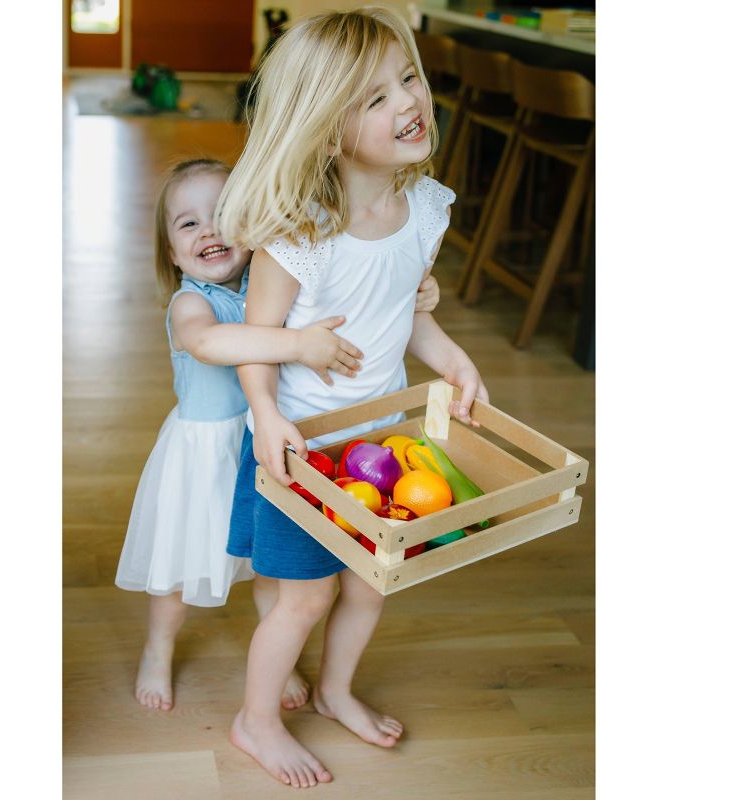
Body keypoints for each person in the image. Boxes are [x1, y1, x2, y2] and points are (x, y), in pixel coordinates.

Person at [218, 7, 490, 789]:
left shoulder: (427, 208)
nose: (408, 102)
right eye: (373, 99)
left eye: (406, 79)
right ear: (324, 129)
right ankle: (256, 721)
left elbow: (407, 313)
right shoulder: (301, 235)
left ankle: (334, 690)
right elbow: (257, 342)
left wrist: (453, 360)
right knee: (303, 601)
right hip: (303, 446)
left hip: (377, 438)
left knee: (373, 583)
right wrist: (267, 417)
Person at [115, 158, 441, 713]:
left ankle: (279, 662)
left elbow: (356, 298)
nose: (210, 230)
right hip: (200, 457)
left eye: (222, 213)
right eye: (187, 224)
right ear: (171, 253)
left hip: (262, 449)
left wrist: (414, 293)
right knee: (181, 568)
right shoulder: (192, 304)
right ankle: (158, 647)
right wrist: (296, 346)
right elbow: (210, 344)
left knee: (269, 568)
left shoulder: (277, 284)